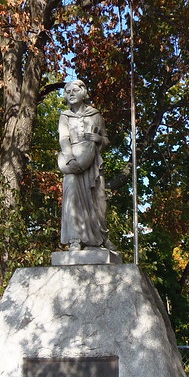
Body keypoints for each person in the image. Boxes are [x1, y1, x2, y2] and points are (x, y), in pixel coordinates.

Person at [58, 80, 111, 250]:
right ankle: (75, 239)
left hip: (93, 164)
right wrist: (70, 159)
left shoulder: (95, 115)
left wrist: (100, 140)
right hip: (72, 160)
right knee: (71, 195)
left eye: (74, 90)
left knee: (99, 201)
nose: (71, 93)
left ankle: (102, 237)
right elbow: (63, 139)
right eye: (68, 91)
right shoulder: (65, 116)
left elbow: (106, 139)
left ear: (83, 93)